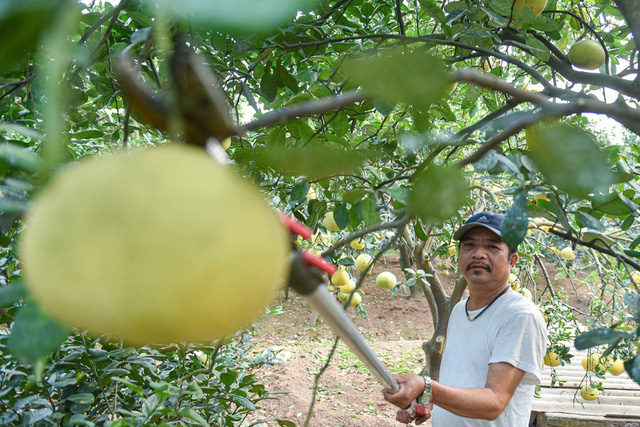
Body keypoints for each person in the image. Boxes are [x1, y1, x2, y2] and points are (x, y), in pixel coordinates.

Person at [383, 211, 548, 426]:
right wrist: (426, 400)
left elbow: (494, 402)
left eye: (492, 247)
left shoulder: (519, 316)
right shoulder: (460, 310)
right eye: (469, 246)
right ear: (459, 255)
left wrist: (427, 387)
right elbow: (462, 378)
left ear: (512, 260)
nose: (478, 254)